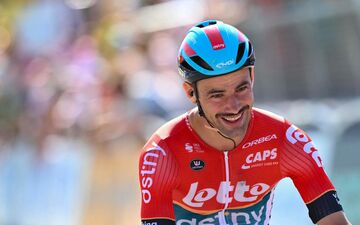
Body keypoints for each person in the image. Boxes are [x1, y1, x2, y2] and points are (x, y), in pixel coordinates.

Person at [138, 20, 352, 225]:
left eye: (241, 89)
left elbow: (334, 222)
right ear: (190, 93)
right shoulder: (162, 153)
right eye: (217, 95)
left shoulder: (285, 140)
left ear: (253, 77)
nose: (233, 106)